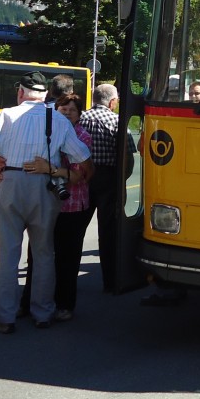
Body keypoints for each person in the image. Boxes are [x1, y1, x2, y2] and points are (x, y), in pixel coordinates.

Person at [0, 71, 90, 333]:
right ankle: (42, 312)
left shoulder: (6, 116)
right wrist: (58, 170)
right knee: (44, 252)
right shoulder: (58, 119)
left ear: (21, 93)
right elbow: (83, 157)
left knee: (8, 253)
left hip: (10, 182)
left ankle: (4, 316)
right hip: (43, 186)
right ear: (45, 96)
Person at [19, 93, 93, 321]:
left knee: (67, 258)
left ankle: (64, 304)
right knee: (37, 255)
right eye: (63, 110)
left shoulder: (82, 136)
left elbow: (80, 175)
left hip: (72, 205)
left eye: (72, 110)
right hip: (44, 203)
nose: (68, 113)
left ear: (79, 114)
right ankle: (28, 301)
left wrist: (50, 169)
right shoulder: (46, 134)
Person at [79, 82, 121, 291]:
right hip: (108, 178)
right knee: (107, 231)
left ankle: (65, 275)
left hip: (82, 177)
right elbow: (128, 153)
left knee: (77, 229)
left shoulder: (81, 118)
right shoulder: (116, 121)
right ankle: (110, 281)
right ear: (112, 102)